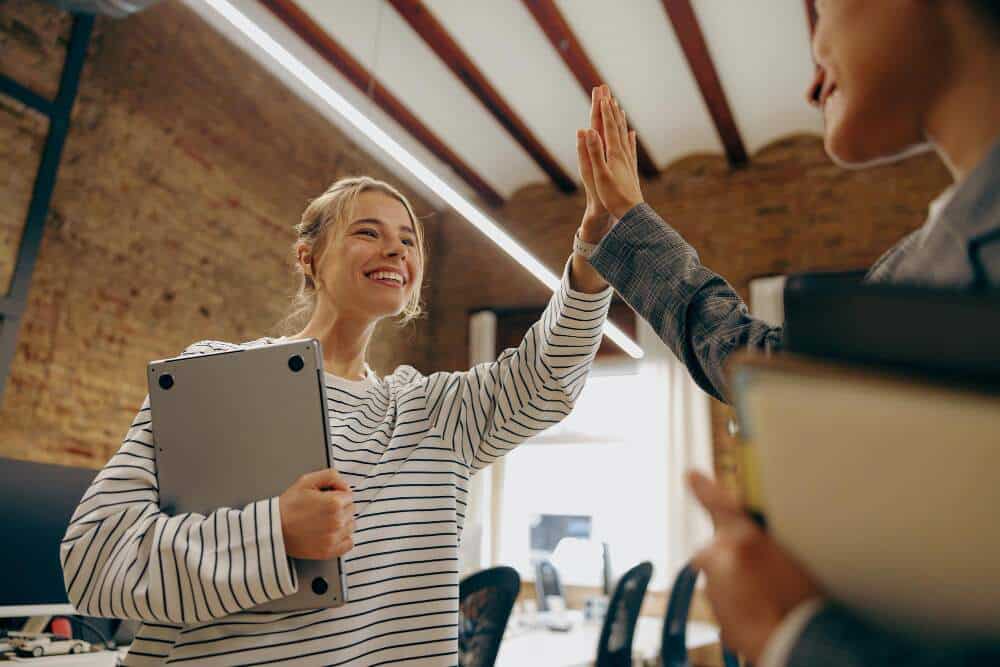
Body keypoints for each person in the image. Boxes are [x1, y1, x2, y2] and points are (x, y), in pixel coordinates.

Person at [573, 0, 1000, 665]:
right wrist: (628, 224)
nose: (811, 82)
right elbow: (766, 359)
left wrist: (793, 633)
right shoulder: (923, 260)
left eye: (821, 10)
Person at [60, 176, 613, 665]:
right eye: (368, 232)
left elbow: (546, 377)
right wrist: (275, 530)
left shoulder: (435, 415)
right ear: (308, 257)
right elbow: (95, 560)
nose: (395, 247)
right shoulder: (212, 373)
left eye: (408, 238)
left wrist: (595, 251)